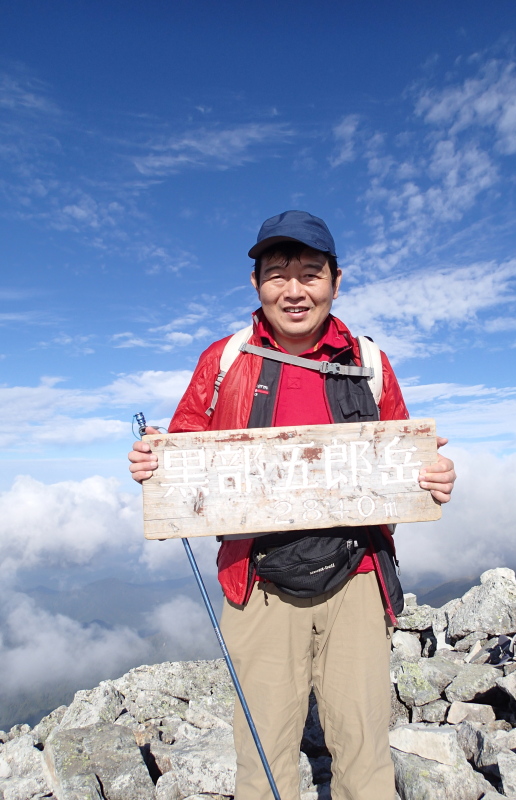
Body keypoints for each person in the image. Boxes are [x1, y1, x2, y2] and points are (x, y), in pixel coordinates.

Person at [129, 211, 456, 800]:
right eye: (277, 274)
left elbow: (402, 456)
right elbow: (180, 449)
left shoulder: (370, 362)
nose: (294, 289)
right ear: (255, 284)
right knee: (262, 752)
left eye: (310, 273)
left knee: (363, 748)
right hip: (257, 580)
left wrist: (432, 475)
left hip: (357, 574)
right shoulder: (225, 360)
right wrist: (155, 464)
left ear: (336, 280)